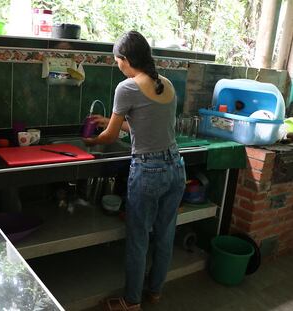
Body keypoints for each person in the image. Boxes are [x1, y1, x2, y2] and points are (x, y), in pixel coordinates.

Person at [83, 31, 186, 310]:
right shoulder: (166, 84)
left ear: (125, 59)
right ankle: (155, 292)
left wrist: (90, 139)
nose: (117, 65)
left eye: (117, 61)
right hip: (176, 166)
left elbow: (108, 137)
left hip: (148, 170)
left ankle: (131, 301)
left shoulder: (126, 87)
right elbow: (146, 125)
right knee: (165, 233)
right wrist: (111, 119)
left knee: (138, 237)